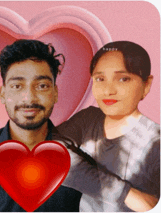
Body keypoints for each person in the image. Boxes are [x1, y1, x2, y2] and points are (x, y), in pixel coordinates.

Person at [0, 39, 156, 212]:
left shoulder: (85, 155)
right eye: (17, 85)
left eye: (42, 85)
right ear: (3, 93)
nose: (29, 97)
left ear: (55, 93)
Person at [56, 41, 160, 211]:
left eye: (123, 79)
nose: (108, 90)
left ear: (146, 85)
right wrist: (124, 193)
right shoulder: (87, 119)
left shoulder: (156, 143)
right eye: (100, 79)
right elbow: (51, 154)